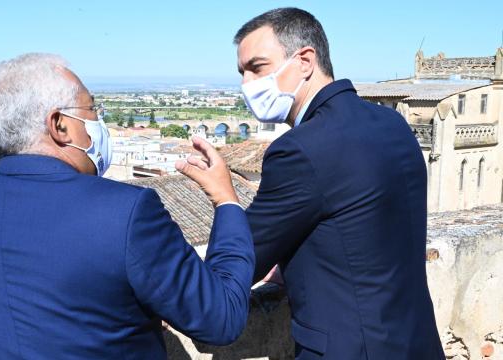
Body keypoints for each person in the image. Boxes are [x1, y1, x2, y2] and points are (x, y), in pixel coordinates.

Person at [0, 53, 254, 359]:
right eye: (93, 110)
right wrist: (226, 202)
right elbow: (220, 319)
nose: (99, 121)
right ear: (59, 125)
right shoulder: (125, 211)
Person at [183, 7, 444, 359]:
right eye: (242, 73)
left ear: (305, 61)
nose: (246, 84)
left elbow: (229, 275)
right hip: (417, 343)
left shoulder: (299, 149)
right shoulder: (391, 124)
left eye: (257, 68)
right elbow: (360, 228)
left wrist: (224, 198)